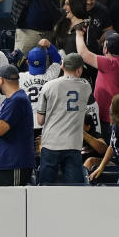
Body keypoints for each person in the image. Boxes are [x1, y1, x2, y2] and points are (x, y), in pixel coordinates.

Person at [35, 52, 91, 185]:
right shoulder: (86, 87)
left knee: (45, 188)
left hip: (51, 143)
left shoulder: (48, 86)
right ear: (79, 70)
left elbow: (40, 121)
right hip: (73, 144)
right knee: (72, 191)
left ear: (62, 67)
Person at [76, 29, 119, 129]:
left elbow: (83, 54)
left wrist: (79, 34)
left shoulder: (111, 63)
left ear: (106, 49)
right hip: (115, 117)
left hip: (109, 120)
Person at [22, 40, 62, 132]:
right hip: (46, 123)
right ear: (46, 62)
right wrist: (49, 45)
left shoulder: (21, 77)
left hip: (28, 124)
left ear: (27, 62)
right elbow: (57, 60)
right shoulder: (50, 75)